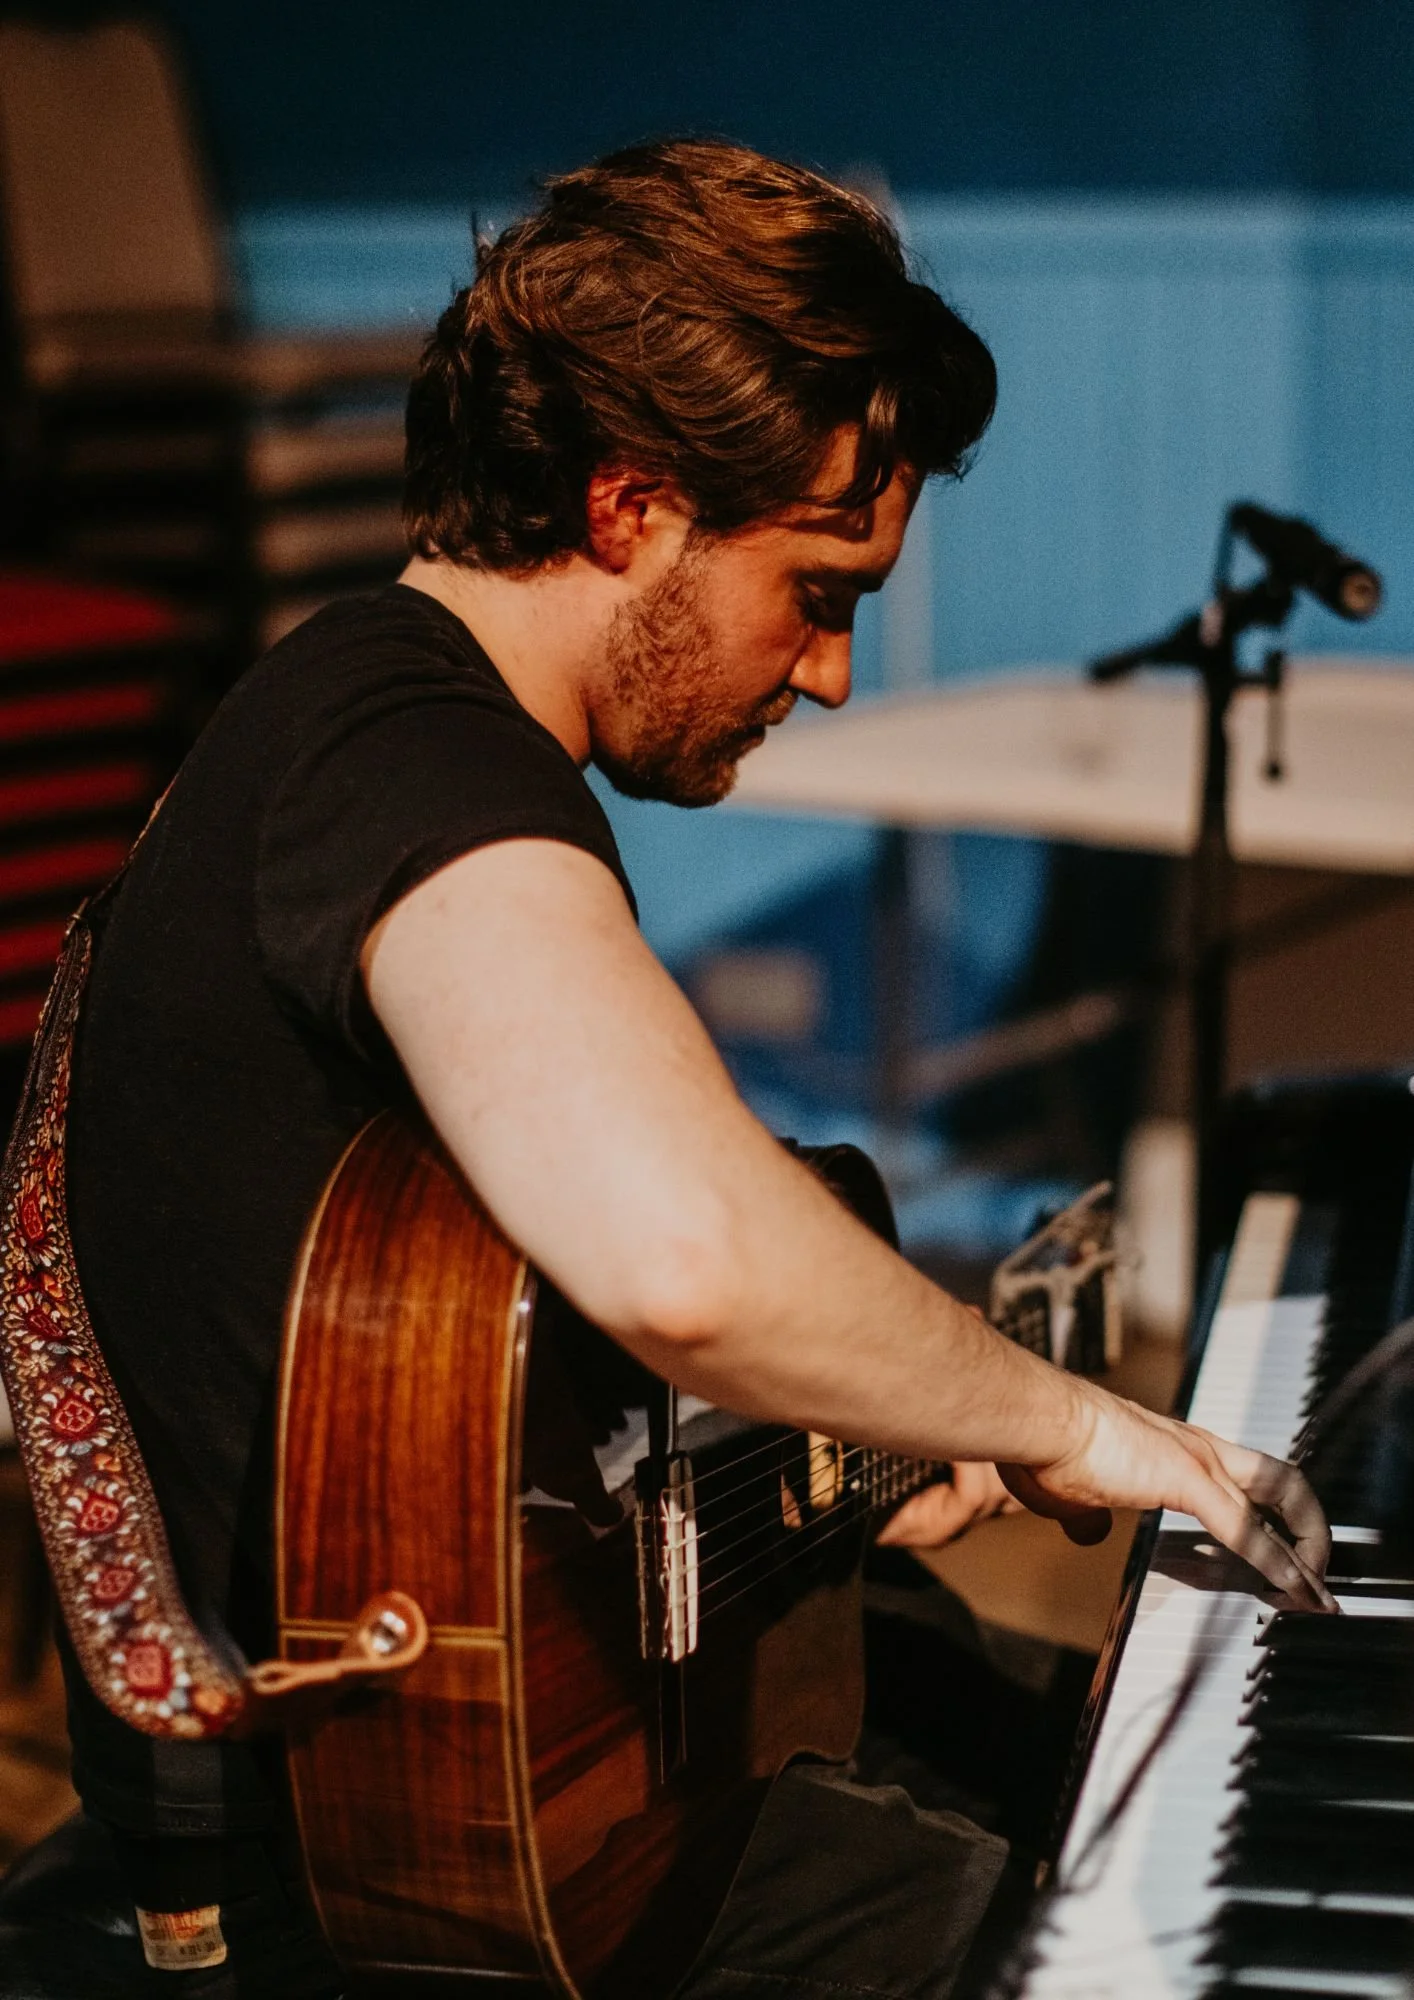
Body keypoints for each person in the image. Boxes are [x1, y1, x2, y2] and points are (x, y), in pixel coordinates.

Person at [5, 140, 1332, 1999]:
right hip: (372, 1879)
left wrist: (871, 1436)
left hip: (496, 1740)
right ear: (633, 507)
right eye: (815, 586)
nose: (836, 671)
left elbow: (495, 1356)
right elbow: (683, 1260)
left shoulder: (378, 726)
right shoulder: (406, 757)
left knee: (1046, 1705)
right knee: (1104, 1894)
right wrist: (1070, 1421)